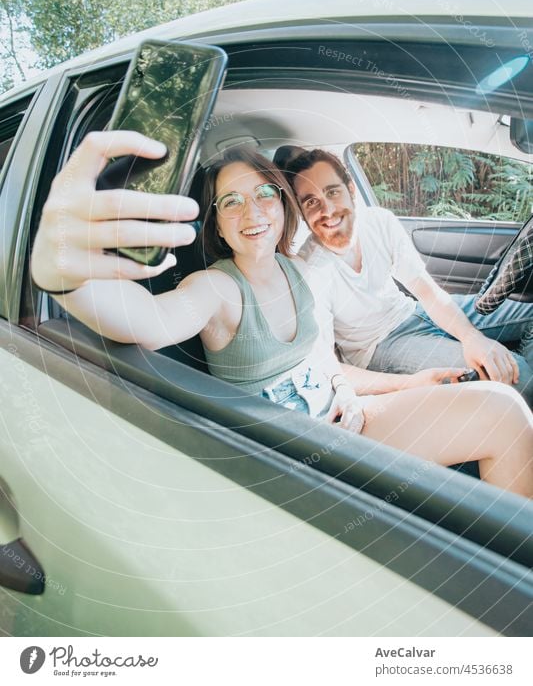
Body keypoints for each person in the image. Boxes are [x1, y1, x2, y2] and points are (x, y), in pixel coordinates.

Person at [31, 131, 533, 497]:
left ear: (280, 203)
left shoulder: (294, 271)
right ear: (219, 227)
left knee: (502, 410)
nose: (253, 213)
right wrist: (62, 268)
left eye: (264, 194)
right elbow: (146, 320)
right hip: (292, 458)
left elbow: (326, 366)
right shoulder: (215, 288)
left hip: (343, 420)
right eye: (232, 203)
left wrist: (413, 381)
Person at [282, 148, 533, 406]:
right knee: (519, 375)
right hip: (381, 346)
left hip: (414, 311)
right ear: (302, 212)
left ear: (351, 189)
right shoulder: (312, 272)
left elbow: (426, 291)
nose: (327, 209)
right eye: (311, 202)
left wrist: (473, 338)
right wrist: (408, 384)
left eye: (332, 191)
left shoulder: (379, 222)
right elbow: (326, 367)